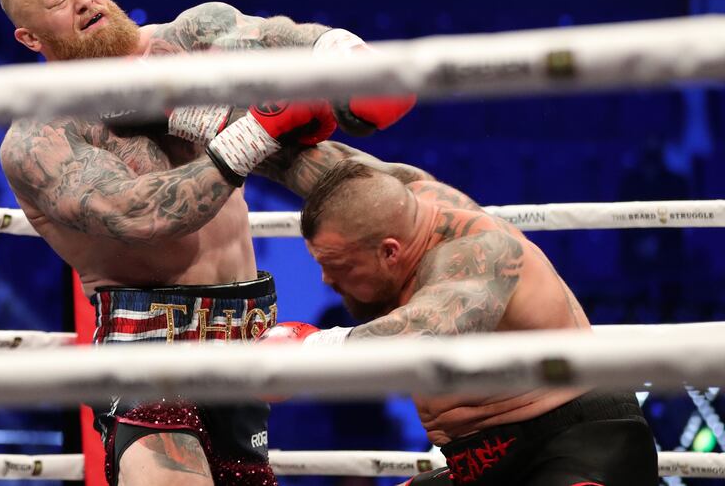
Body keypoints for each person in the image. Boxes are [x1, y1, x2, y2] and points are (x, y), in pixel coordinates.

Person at [0, 0, 414, 486]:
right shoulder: (40, 135)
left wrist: (342, 51)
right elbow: (135, 216)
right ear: (30, 38)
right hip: (145, 337)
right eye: (57, 0)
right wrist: (252, 133)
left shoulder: (186, 38)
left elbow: (271, 37)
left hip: (243, 330)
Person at [264, 160, 658, 486]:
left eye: (338, 267)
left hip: (577, 445)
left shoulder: (475, 254)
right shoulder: (399, 201)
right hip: (484, 464)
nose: (327, 282)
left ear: (389, 252)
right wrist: (243, 134)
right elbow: (324, 167)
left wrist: (312, 349)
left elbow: (426, 333)